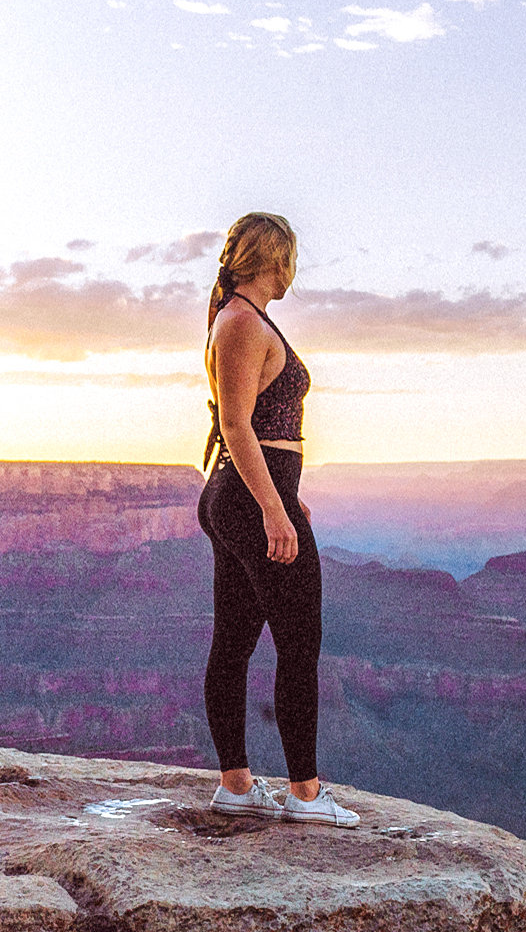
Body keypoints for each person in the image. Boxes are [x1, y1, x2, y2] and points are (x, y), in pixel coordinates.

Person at [197, 212, 357, 827]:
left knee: (235, 641)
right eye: (291, 259)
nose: (295, 272)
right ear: (274, 259)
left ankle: (237, 786)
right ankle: (306, 794)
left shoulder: (246, 320)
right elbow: (237, 424)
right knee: (299, 641)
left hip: (246, 493)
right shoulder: (240, 322)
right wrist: (272, 507)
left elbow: (260, 425)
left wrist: (288, 493)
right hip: (247, 499)